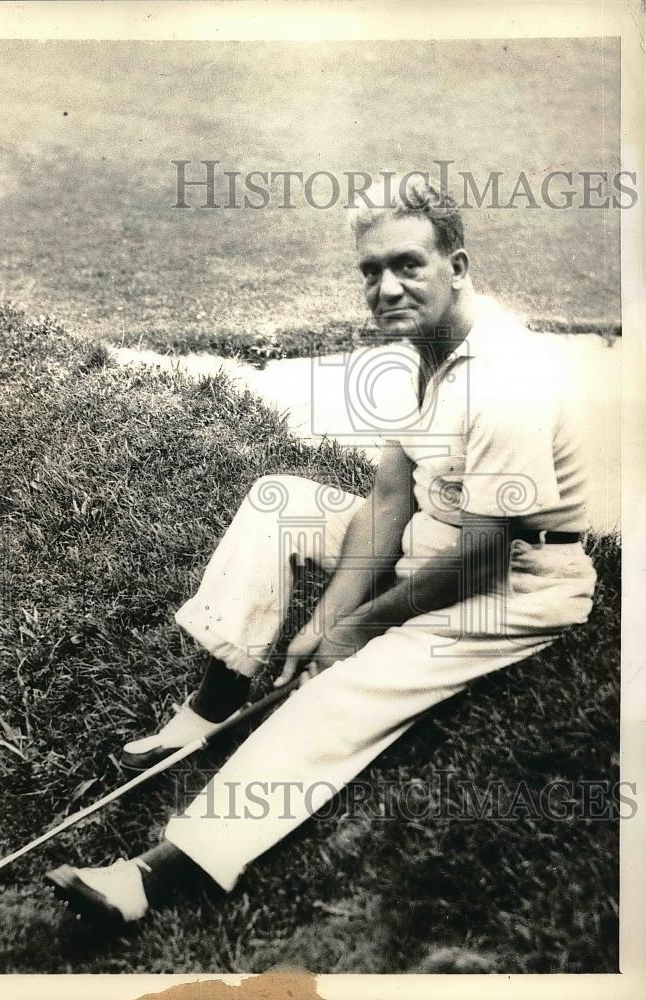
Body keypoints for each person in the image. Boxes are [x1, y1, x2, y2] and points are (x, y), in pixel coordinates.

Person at [47, 178, 597, 927]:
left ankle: (146, 877)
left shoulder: (507, 376)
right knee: (280, 504)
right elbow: (387, 501)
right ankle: (207, 713)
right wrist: (327, 619)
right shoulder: (427, 346)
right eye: (370, 271)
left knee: (345, 691)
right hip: (442, 535)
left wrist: (358, 630)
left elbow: (486, 554)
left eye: (408, 264)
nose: (386, 287)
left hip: (519, 582)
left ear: (457, 265)